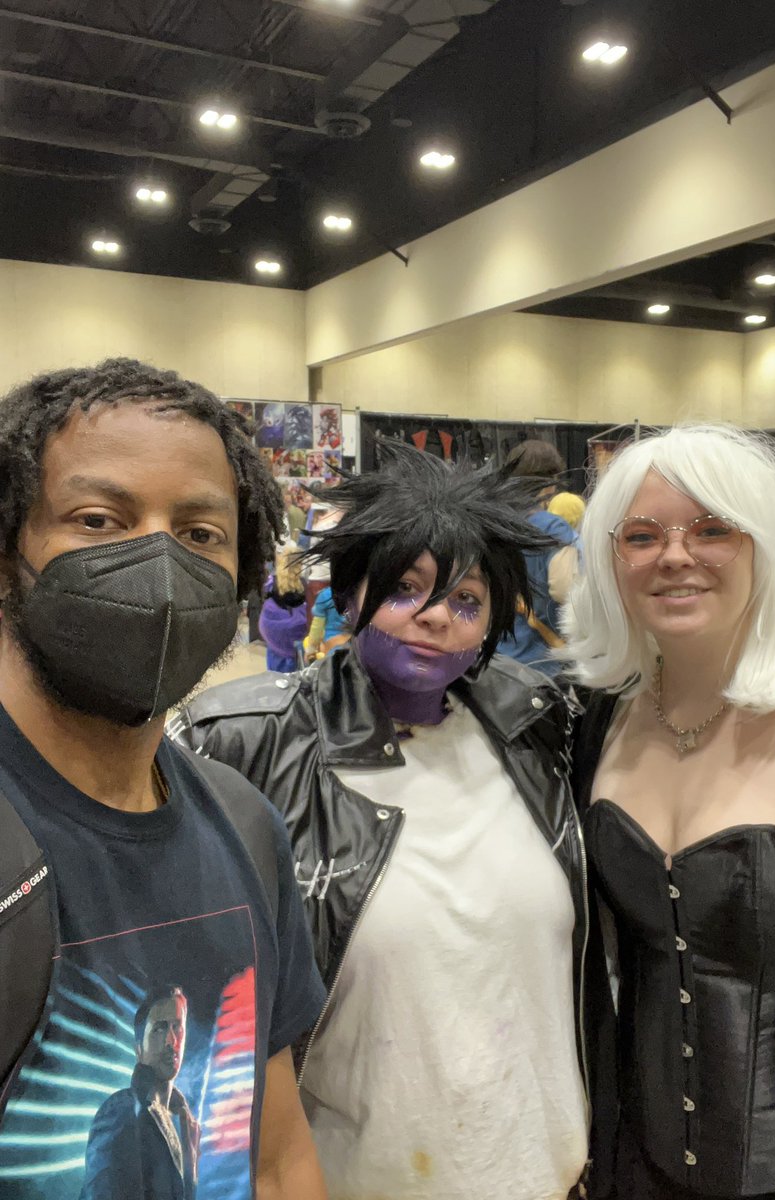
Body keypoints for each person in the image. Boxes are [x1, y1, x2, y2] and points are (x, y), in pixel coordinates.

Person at [168, 441, 597, 1200]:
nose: (435, 617)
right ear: (353, 592)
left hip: (542, 1171)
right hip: (347, 1177)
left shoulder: (539, 727)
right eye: (406, 588)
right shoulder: (242, 742)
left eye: (466, 602)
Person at [0, 359, 327, 1200]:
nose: (158, 560)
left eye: (200, 533)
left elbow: (275, 1157)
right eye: (98, 520)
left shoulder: (245, 825)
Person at [566, 424, 775, 1200]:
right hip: (633, 1167)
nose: (675, 555)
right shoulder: (594, 719)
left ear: (763, 543)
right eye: (642, 536)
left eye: (712, 529)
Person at [81, 985, 199, 1200]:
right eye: (159, 1029)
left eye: (177, 1027)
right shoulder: (120, 1111)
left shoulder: (185, 1122)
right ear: (138, 1049)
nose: (171, 1041)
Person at [495, 439, 580, 676]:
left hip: (499, 655)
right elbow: (567, 590)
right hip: (543, 660)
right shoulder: (553, 528)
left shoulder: (496, 523)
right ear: (548, 482)